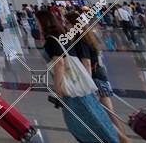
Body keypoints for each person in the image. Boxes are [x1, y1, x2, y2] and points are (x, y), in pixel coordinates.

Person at [35, 11, 119, 143]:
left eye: (37, 20)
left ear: (43, 22)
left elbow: (60, 63)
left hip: (72, 88)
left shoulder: (52, 40)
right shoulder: (63, 36)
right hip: (80, 85)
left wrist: (57, 86)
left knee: (84, 122)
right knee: (97, 117)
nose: (35, 23)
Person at [64, 10, 133, 143]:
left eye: (67, 23)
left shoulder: (80, 40)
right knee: (110, 114)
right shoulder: (87, 36)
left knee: (103, 116)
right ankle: (123, 139)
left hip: (94, 80)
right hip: (101, 77)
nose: (66, 25)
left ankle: (121, 140)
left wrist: (86, 82)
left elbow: (87, 62)